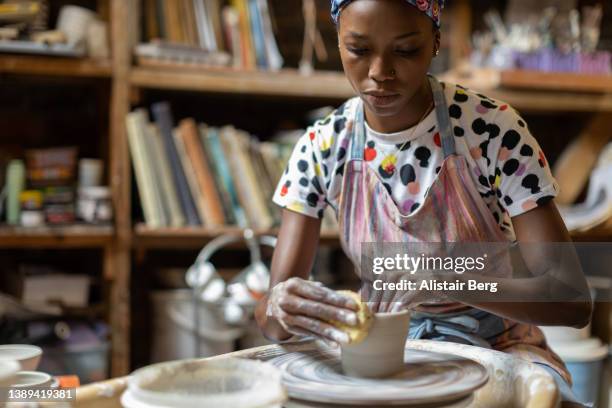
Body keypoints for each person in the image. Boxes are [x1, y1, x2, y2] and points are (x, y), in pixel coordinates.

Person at [255, 0, 592, 406]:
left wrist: (439, 277)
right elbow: (273, 325)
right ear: (338, 42)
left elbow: (572, 300)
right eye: (359, 50)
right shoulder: (323, 145)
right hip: (387, 352)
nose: (380, 73)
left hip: (500, 345)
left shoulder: (491, 129)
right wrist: (281, 306)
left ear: (435, 42)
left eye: (405, 49)